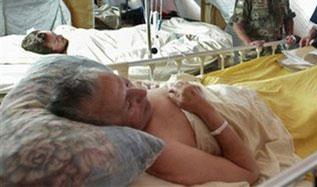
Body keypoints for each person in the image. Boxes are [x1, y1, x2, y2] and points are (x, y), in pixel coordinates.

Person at [47, 66, 260, 185]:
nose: (140, 93)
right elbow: (248, 172)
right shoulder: (161, 150)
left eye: (127, 83)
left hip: (239, 91)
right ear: (112, 127)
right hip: (260, 112)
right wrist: (204, 110)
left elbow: (141, 90)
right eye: (128, 104)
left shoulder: (133, 102)